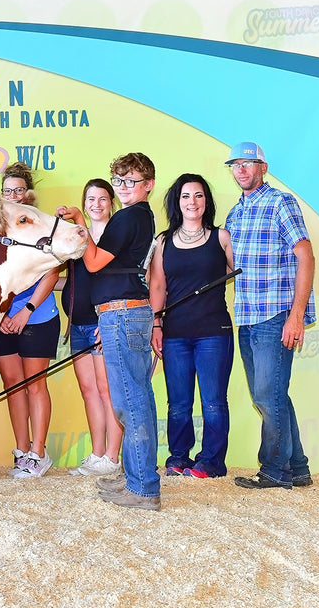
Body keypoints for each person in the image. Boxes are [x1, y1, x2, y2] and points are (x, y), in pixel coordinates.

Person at [59, 152, 160, 511]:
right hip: (126, 311)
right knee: (134, 399)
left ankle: (144, 488)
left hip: (121, 313)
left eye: (131, 181)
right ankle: (137, 478)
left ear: (148, 185)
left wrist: (81, 233)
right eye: (119, 181)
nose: (123, 187)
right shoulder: (140, 217)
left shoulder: (128, 216)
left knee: (130, 401)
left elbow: (97, 261)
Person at [223, 142, 316, 490]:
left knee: (266, 394)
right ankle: (299, 466)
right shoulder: (235, 213)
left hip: (275, 313)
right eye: (236, 164)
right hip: (246, 315)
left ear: (263, 167)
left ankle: (275, 470)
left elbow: (305, 256)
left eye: (249, 163)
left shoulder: (281, 202)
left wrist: (296, 316)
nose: (242, 170)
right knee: (273, 392)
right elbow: (234, 267)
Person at [149, 174, 234, 479]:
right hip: (174, 335)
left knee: (213, 402)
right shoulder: (162, 242)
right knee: (179, 405)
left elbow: (233, 272)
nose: (192, 202)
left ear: (206, 201)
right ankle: (178, 458)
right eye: (186, 196)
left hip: (214, 332)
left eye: (198, 196)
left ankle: (211, 462)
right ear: (177, 202)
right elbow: (157, 286)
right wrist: (156, 324)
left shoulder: (221, 238)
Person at [0, 162, 61, 479]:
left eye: (19, 190)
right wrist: (3, 314)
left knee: (34, 384)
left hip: (38, 316)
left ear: (28, 194)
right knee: (12, 386)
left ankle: (39, 453)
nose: (14, 195)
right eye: (8, 191)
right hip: (3, 320)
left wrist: (26, 310)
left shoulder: (45, 227)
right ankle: (22, 451)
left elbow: (53, 272)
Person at [63, 179, 123, 477]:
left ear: (111, 202)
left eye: (102, 199)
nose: (96, 204)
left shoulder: (115, 235)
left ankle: (112, 457)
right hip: (78, 324)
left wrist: (108, 321)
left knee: (106, 390)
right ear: (84, 203)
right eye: (91, 199)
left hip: (105, 323)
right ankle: (97, 454)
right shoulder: (76, 236)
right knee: (89, 391)